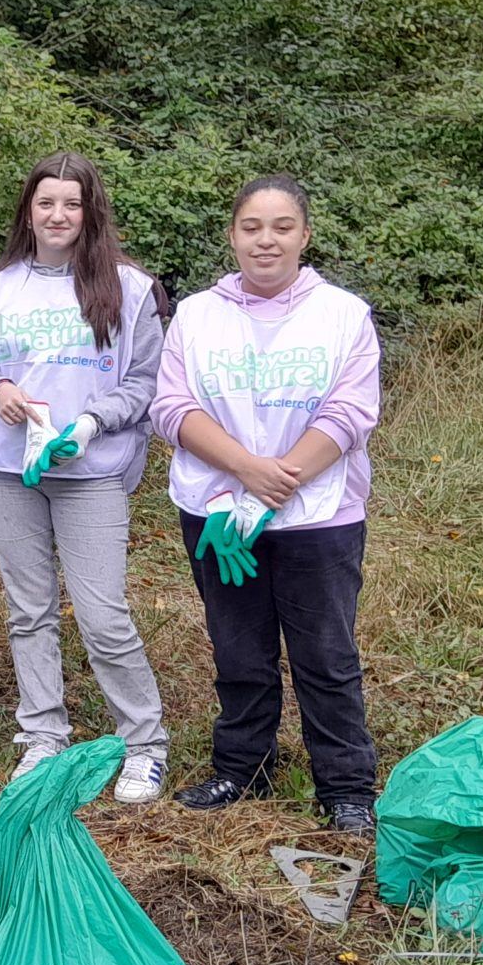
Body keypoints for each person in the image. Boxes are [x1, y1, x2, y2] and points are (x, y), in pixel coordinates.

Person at [151, 175, 382, 836]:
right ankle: (243, 766)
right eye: (252, 226)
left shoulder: (342, 314)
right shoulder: (198, 314)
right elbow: (172, 406)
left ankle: (345, 787)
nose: (266, 239)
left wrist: (281, 478)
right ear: (232, 236)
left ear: (305, 235)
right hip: (218, 511)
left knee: (326, 655)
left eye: (282, 226)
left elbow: (351, 410)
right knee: (238, 647)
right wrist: (247, 470)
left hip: (317, 516)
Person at [0, 152, 168, 797]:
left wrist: (92, 423)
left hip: (92, 470)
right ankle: (43, 731)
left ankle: (144, 741)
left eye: (71, 204)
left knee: (103, 614)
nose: (57, 215)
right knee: (29, 608)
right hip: (6, 467)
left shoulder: (129, 289)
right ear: (28, 209)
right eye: (46, 202)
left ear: (90, 211)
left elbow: (145, 382)